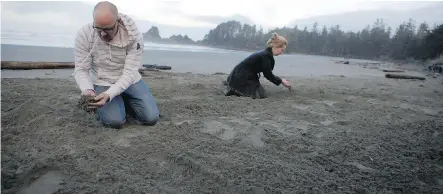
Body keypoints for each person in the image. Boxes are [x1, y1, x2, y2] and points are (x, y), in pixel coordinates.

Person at [73, 1, 159, 129]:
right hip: (103, 81)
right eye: (98, 28)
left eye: (107, 29)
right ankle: (116, 103)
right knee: (114, 122)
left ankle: (122, 99)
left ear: (118, 21)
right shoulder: (84, 34)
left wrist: (110, 95)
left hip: (130, 80)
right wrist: (88, 90)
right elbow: (81, 70)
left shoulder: (134, 36)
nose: (102, 34)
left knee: (151, 118)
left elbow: (130, 73)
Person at [224, 32, 292, 99]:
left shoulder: (266, 53)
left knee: (261, 94)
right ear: (276, 46)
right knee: (260, 95)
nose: (282, 53)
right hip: (241, 76)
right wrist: (281, 81)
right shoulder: (266, 56)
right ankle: (234, 90)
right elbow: (268, 74)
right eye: (282, 50)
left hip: (241, 74)